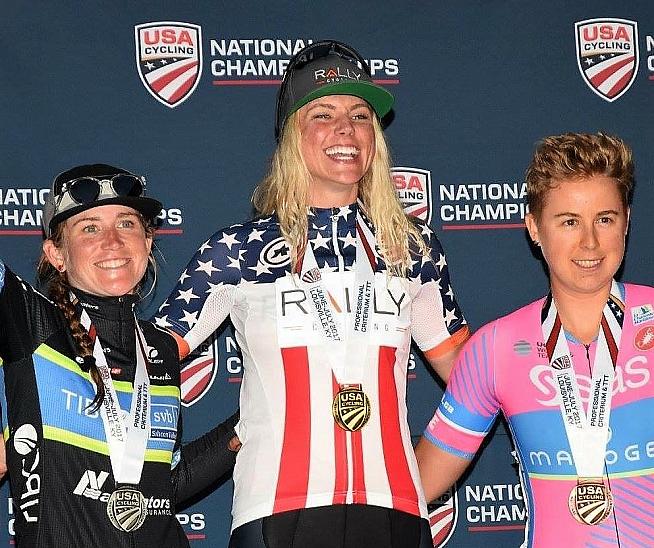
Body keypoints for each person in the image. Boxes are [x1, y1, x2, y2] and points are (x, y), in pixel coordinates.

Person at [156, 40, 469, 547]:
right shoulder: (237, 251)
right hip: (274, 510)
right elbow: (145, 362)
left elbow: (475, 380)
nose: (346, 129)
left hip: (396, 510)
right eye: (323, 114)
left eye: (360, 116)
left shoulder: (414, 249)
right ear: (290, 136)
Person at [415, 132, 653, 546]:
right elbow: (416, 485)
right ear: (534, 228)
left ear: (627, 221)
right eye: (569, 222)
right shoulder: (496, 348)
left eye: (605, 219)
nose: (590, 242)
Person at [0, 164, 237, 547]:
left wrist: (250, 424)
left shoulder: (159, 348)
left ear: (148, 241)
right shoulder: (31, 324)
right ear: (56, 254)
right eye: (89, 228)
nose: (112, 241)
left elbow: (162, 487)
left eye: (126, 224)